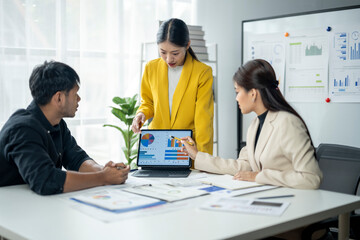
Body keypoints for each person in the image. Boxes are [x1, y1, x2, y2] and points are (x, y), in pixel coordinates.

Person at [181, 59, 323, 189]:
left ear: (253, 93)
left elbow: (310, 178)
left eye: (238, 91)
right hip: (267, 197)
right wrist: (197, 156)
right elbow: (242, 166)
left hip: (292, 203)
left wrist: (259, 176)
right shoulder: (255, 125)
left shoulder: (287, 122)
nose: (236, 98)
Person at [0, 61, 130, 195]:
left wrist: (102, 171)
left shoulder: (57, 123)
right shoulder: (22, 128)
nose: (79, 99)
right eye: (75, 94)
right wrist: (103, 178)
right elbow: (46, 181)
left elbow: (76, 159)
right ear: (59, 98)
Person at [131, 18, 214, 154]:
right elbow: (148, 102)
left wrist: (203, 158)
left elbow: (204, 119)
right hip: (156, 143)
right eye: (163, 52)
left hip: (187, 147)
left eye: (175, 53)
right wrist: (141, 113)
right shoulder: (151, 68)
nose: (169, 59)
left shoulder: (202, 72)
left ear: (187, 45)